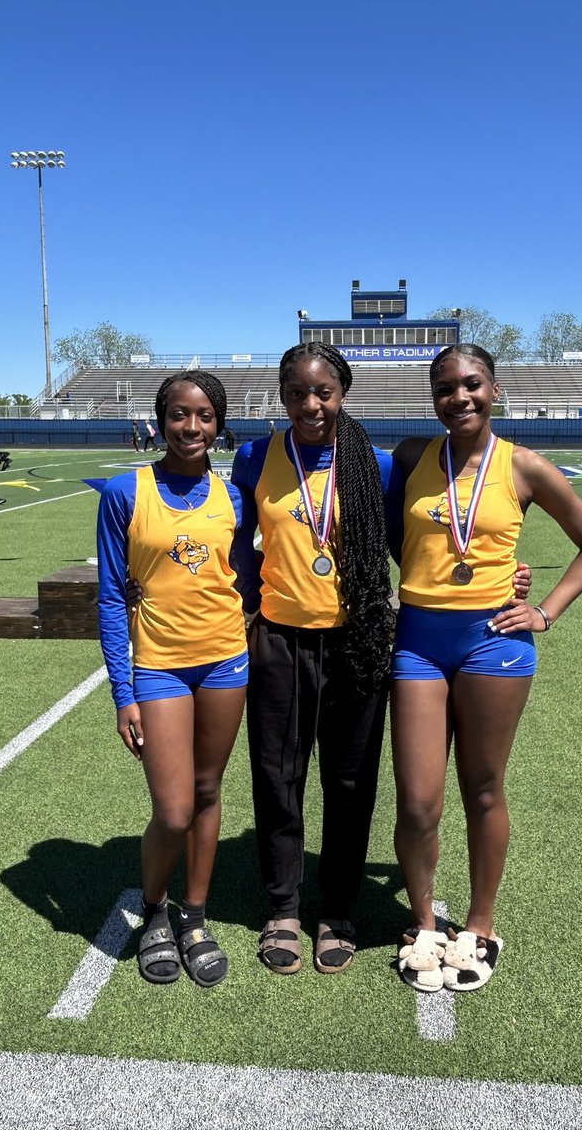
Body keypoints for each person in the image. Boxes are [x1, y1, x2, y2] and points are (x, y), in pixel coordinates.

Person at [388, 344, 582, 994]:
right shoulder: (410, 457)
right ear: (433, 398)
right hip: (418, 642)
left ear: (494, 388)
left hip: (494, 642)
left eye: (471, 385)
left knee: (483, 789)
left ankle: (481, 925)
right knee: (419, 801)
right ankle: (425, 923)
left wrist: (544, 611)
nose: (459, 398)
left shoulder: (525, 466)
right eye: (446, 389)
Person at [231, 343, 397, 976]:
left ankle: (337, 908)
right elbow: (238, 542)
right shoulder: (256, 457)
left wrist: (508, 582)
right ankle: (281, 907)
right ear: (282, 396)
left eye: (322, 392)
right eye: (297, 392)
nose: (310, 404)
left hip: (356, 643)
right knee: (279, 777)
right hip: (279, 641)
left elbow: (418, 548)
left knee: (351, 783)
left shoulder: (376, 466)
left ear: (342, 394)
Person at [97, 370, 253, 988]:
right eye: (180, 415)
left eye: (205, 416)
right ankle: (156, 910)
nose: (192, 427)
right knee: (173, 806)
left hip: (225, 661)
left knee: (209, 791)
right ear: (161, 420)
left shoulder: (234, 497)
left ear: (219, 424)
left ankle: (194, 915)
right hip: (158, 666)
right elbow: (111, 597)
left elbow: (248, 573)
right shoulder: (124, 492)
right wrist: (122, 692)